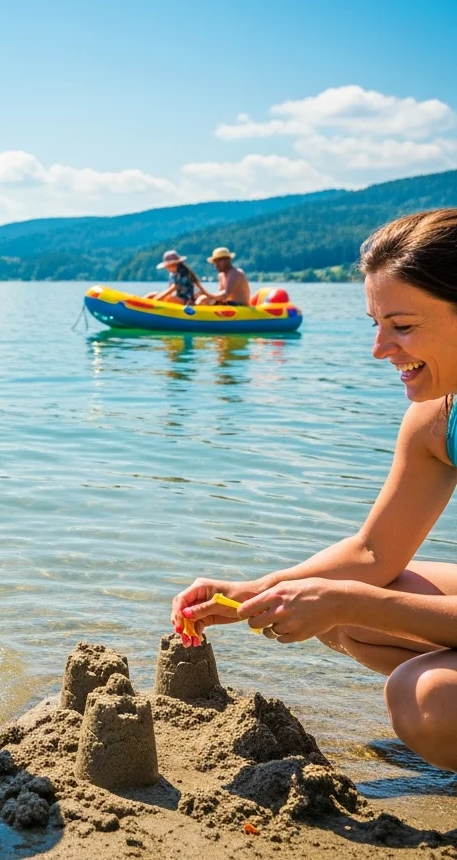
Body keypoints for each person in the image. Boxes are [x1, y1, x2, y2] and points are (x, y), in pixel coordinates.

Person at [171, 208, 457, 772]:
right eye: (373, 324)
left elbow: (358, 588)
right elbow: (373, 553)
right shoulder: (436, 417)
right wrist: (256, 591)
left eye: (401, 326)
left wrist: (345, 598)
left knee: (426, 702)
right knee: (345, 611)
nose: (380, 349)